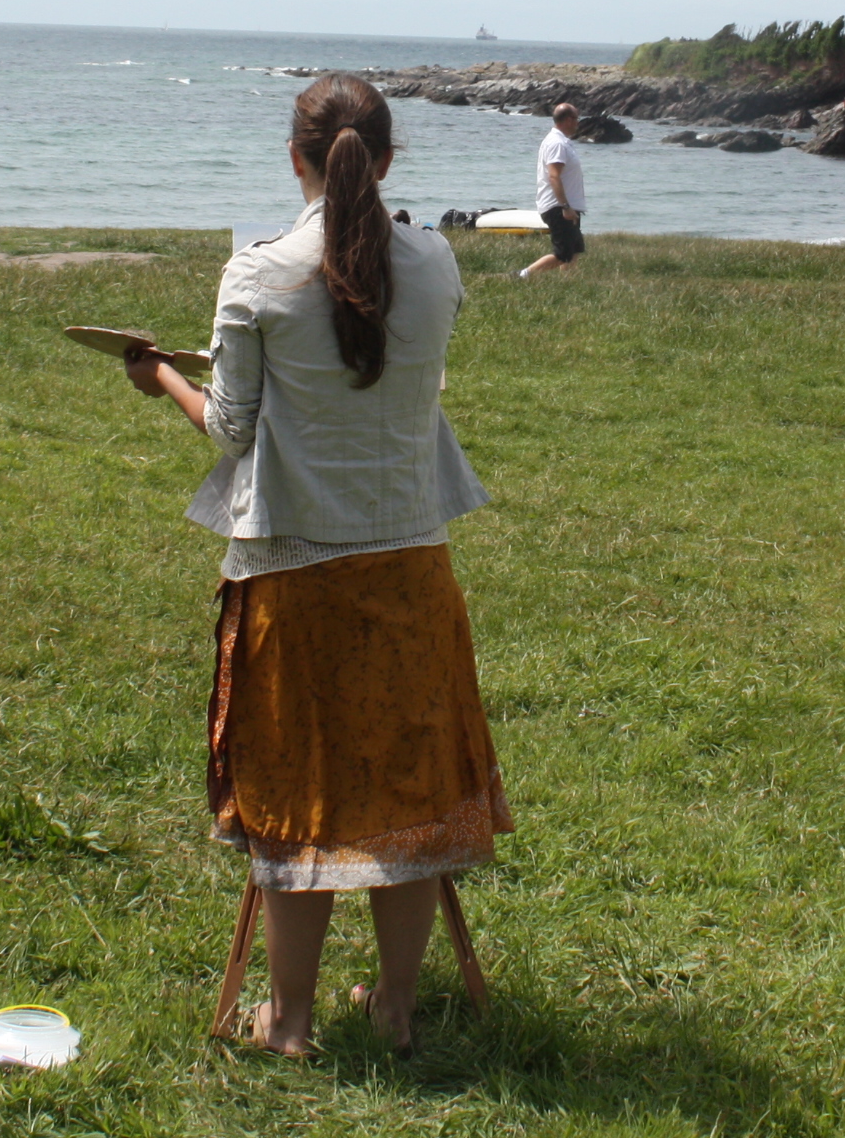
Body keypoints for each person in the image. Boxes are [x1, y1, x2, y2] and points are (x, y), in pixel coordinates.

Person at [118, 73, 507, 1056]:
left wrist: (161, 374)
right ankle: (395, 1008)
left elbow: (236, 428)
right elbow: (379, 372)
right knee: (408, 793)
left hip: (293, 569)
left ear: (295, 157)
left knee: (298, 796)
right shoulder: (436, 263)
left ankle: (288, 1021)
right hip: (410, 560)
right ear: (387, 159)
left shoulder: (256, 275)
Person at [518, 102, 588, 280]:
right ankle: (522, 276)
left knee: (574, 250)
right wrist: (565, 206)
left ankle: (567, 284)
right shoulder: (557, 143)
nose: (578, 123)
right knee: (563, 253)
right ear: (567, 120)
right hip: (559, 207)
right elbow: (554, 176)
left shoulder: (563, 142)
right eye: (576, 119)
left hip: (568, 207)